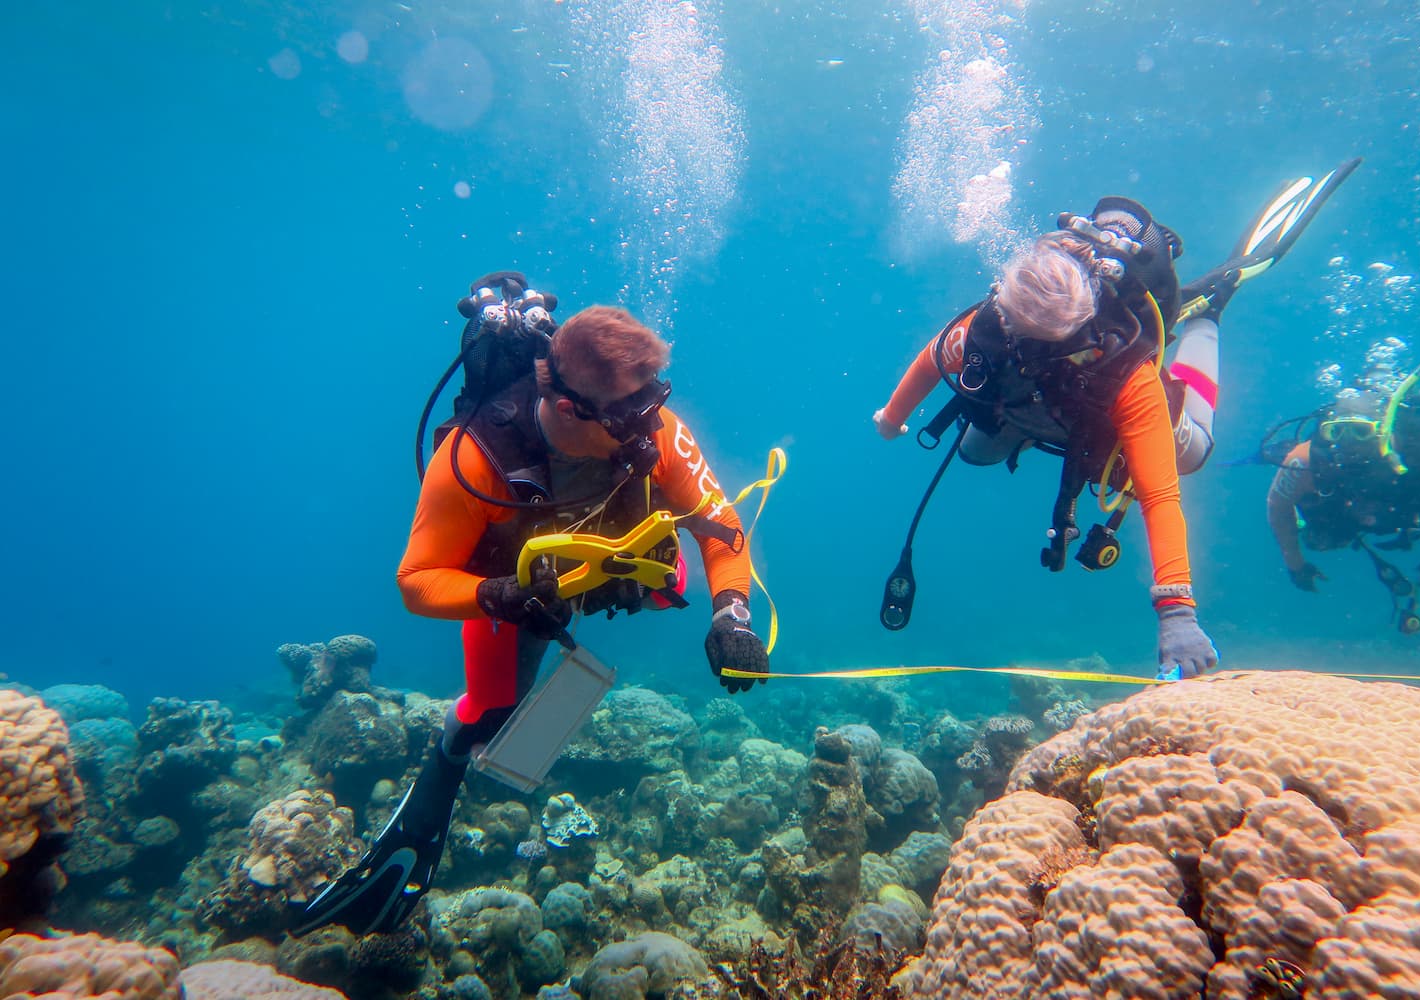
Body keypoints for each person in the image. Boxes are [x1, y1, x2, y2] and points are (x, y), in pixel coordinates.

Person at [297, 299, 770, 936]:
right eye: (633, 411)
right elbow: (415, 582)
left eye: (653, 400)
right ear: (572, 406)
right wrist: (497, 597)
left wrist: (732, 615)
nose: (649, 423)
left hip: (617, 560)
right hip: (515, 591)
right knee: (490, 719)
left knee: (672, 580)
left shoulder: (654, 429)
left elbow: (721, 526)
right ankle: (430, 796)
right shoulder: (473, 460)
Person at [871, 161, 1359, 681]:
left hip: (1098, 413)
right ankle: (1028, 416)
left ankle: (1207, 316)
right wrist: (892, 416)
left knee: (1192, 453)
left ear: (1079, 329)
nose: (1026, 349)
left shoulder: (1126, 372)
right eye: (1019, 337)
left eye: (1044, 345)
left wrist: (1177, 613)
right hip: (1036, 409)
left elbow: (1159, 496)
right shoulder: (987, 328)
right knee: (974, 452)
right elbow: (932, 358)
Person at [1266, 359, 1420, 631]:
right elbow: (1279, 504)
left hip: (1409, 509)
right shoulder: (1304, 459)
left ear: (1384, 430)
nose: (1347, 442)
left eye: (1361, 431)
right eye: (1337, 431)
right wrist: (1295, 563)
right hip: (1345, 513)